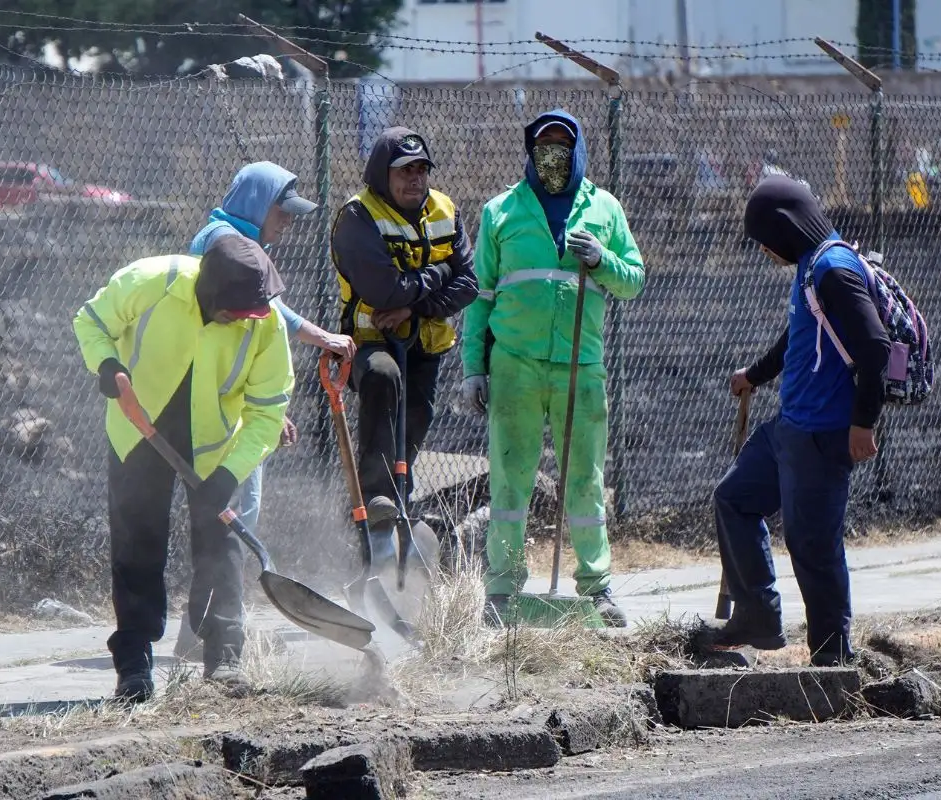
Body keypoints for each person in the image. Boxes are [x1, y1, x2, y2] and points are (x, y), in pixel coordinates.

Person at [72, 235, 294, 702]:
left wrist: (229, 474)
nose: (246, 320)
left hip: (215, 448)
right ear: (212, 295)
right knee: (137, 542)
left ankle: (225, 659)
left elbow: (268, 412)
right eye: (236, 312)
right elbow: (91, 320)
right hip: (138, 430)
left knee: (221, 543)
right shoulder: (152, 280)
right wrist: (107, 363)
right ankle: (134, 664)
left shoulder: (266, 322)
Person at [458, 109, 646, 628]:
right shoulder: (501, 211)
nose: (553, 156)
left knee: (584, 478)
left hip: (579, 367)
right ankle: (501, 591)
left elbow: (633, 280)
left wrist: (602, 259)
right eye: (544, 146)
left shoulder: (605, 208)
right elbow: (480, 297)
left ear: (578, 149)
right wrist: (474, 368)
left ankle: (597, 587)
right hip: (514, 365)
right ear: (530, 151)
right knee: (510, 480)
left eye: (563, 145)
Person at [711, 174, 891, 665]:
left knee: (812, 543)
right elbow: (798, 335)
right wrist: (754, 375)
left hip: (823, 434)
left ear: (785, 228)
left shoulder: (833, 268)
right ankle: (758, 616)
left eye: (766, 240)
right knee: (734, 498)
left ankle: (833, 658)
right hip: (790, 427)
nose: (765, 250)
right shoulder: (811, 266)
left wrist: (863, 422)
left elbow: (875, 347)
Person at [179, 160, 354, 660]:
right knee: (233, 518)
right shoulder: (222, 244)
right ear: (258, 205)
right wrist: (321, 337)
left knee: (239, 515)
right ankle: (212, 632)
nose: (289, 221)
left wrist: (268, 408)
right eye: (283, 211)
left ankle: (207, 630)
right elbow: (266, 316)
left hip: (233, 404)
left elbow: (267, 319)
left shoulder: (239, 242)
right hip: (216, 412)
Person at [329, 127, 478, 539]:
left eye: (421, 169)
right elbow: (384, 292)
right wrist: (442, 271)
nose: (415, 178)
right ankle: (374, 498)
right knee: (383, 377)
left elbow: (469, 283)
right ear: (383, 174)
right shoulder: (358, 217)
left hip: (425, 343)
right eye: (404, 170)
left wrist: (413, 306)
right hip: (371, 341)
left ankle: (397, 501)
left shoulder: (444, 209)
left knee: (417, 418)